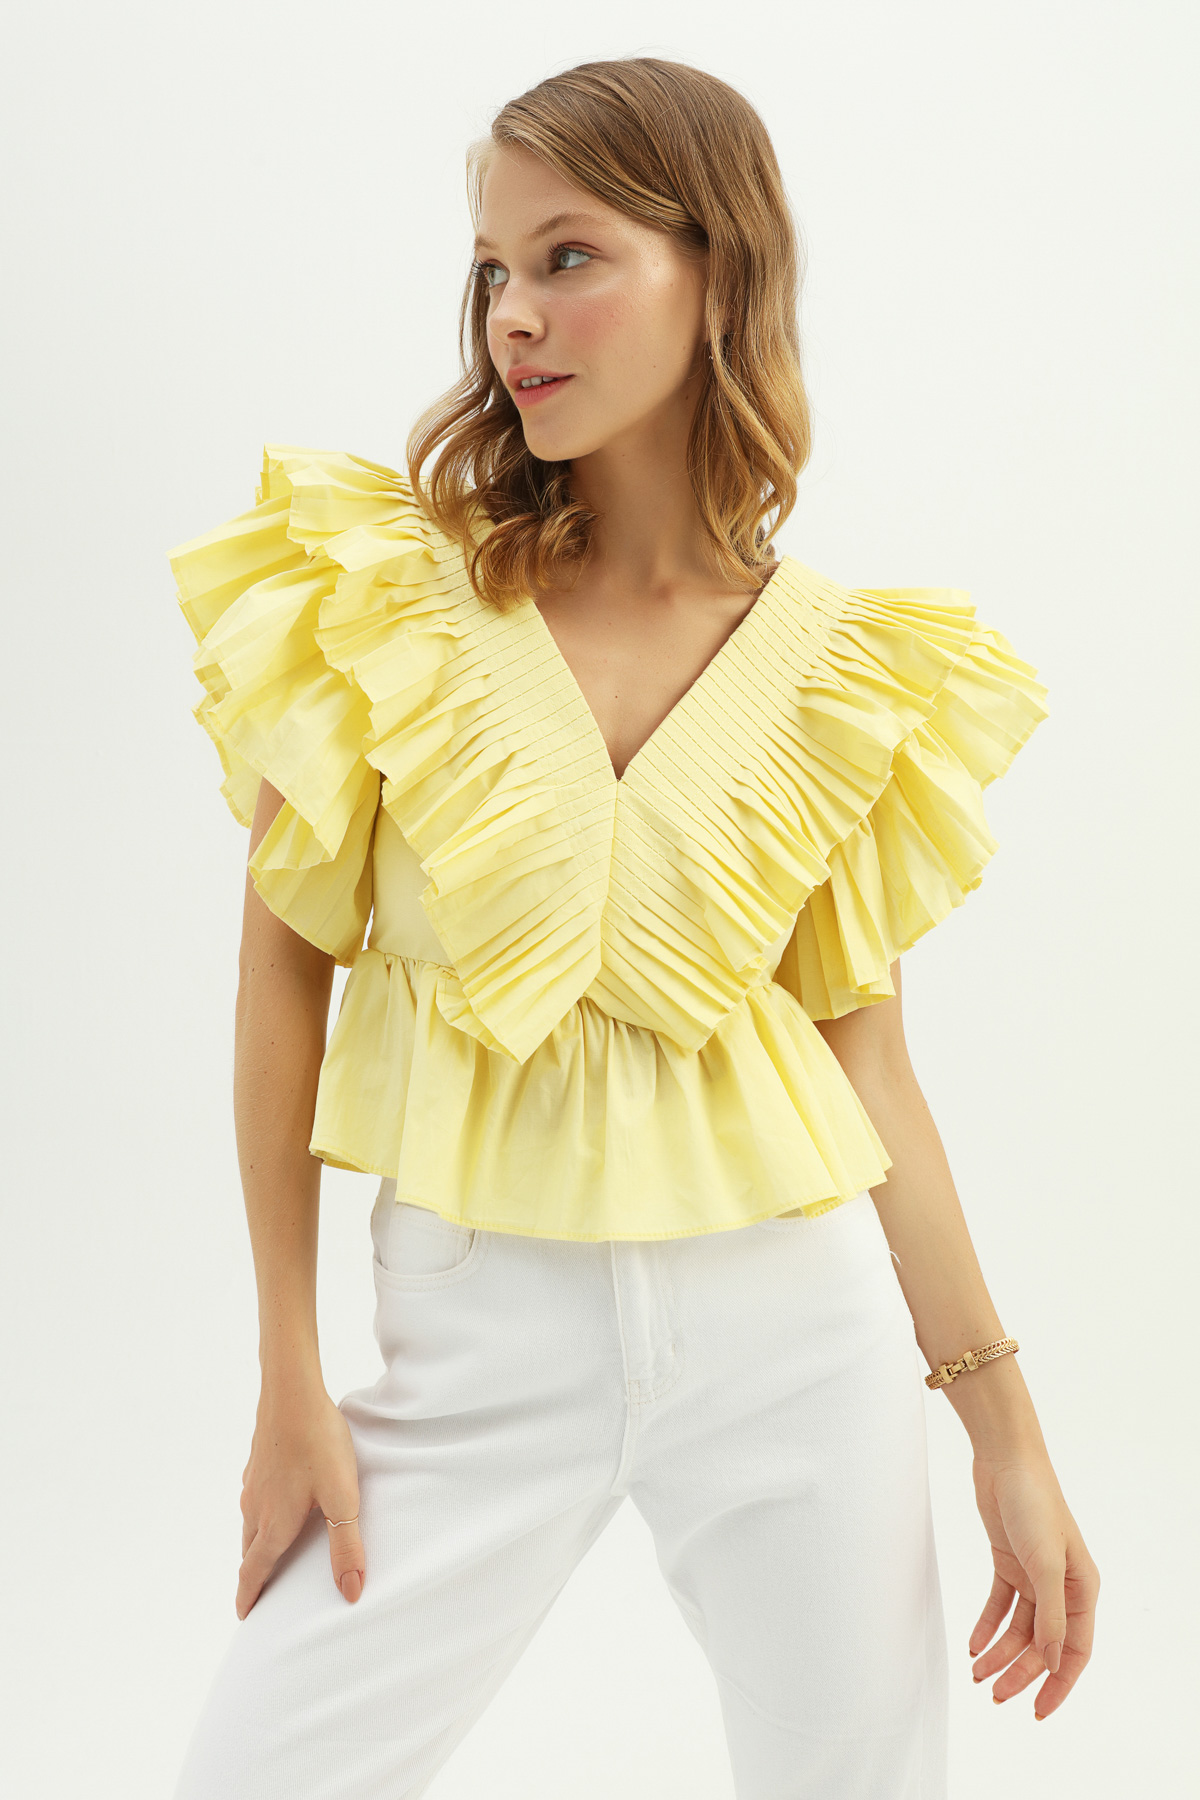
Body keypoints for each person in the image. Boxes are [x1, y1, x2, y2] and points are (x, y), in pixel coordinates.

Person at [167, 55, 1098, 1800]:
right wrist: (289, 1374)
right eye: (493, 270)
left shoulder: (839, 668)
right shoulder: (382, 605)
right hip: (472, 1334)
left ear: (718, 275)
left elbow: (869, 1067)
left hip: (795, 1335)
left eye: (569, 256)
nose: (513, 315)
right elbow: (279, 975)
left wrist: (1007, 1438)